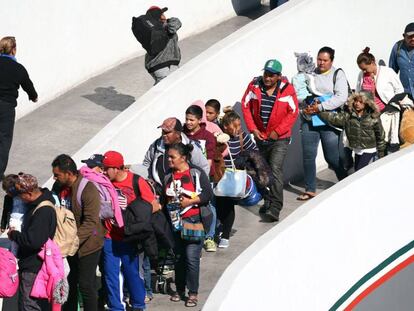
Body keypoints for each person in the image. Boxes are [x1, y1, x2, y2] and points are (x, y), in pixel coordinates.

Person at [102, 150, 160, 310]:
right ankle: (116, 307)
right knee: (111, 274)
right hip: (110, 236)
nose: (105, 172)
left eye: (107, 168)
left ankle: (138, 304)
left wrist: (132, 215)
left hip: (131, 237)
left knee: (132, 273)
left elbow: (153, 206)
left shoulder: (137, 181)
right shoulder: (104, 183)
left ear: (117, 168)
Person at [241, 59, 299, 220]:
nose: (267, 78)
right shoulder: (254, 86)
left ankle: (275, 208)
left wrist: (277, 131)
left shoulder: (287, 90)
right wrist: (253, 129)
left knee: (274, 169)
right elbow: (245, 106)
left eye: (271, 75)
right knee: (262, 172)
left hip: (280, 139)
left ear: (278, 77)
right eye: (266, 74)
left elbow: (293, 112)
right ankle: (267, 200)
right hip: (261, 137)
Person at [51, 154, 104, 311]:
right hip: (68, 246)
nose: (54, 178)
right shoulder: (58, 188)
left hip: (88, 246)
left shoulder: (88, 189)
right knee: (69, 284)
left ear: (68, 173)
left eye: (57, 175)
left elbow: (91, 222)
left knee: (86, 285)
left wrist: (72, 242)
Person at [163, 143, 213, 308]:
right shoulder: (168, 176)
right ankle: (179, 288)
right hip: (175, 224)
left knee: (192, 258)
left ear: (183, 158)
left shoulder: (195, 173)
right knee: (179, 258)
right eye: (168, 156)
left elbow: (207, 194)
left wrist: (189, 201)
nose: (169, 160)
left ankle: (192, 293)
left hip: (194, 222)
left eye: (172, 157)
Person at [298, 47, 349, 201]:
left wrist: (320, 107)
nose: (321, 63)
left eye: (325, 60)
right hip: (309, 121)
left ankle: (345, 181)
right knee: (308, 156)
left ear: (331, 61)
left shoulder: (337, 74)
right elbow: (301, 90)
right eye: (319, 59)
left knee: (332, 158)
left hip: (329, 121)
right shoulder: (310, 72)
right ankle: (310, 189)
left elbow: (341, 97)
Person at [7, 173, 57, 311]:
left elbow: (33, 241)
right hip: (35, 265)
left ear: (28, 193)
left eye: (20, 194)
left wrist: (14, 234)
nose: (19, 198)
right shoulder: (39, 204)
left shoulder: (43, 211)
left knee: (29, 305)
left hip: (34, 267)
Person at [216, 109, 257, 248]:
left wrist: (244, 160)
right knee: (218, 205)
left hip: (233, 178)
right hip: (219, 176)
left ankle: (225, 235)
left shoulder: (242, 137)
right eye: (235, 126)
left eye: (239, 125)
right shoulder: (219, 136)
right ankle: (219, 229)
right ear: (225, 126)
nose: (238, 129)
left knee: (228, 206)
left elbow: (253, 151)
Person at [0, 36, 38, 179]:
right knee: (3, 140)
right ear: (14, 50)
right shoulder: (18, 68)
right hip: (6, 108)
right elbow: (28, 85)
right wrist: (33, 96)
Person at [318, 93, 386, 171]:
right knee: (358, 170)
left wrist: (381, 153)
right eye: (356, 101)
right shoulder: (349, 116)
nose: (357, 103)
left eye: (361, 102)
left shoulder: (373, 118)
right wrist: (318, 111)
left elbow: (380, 135)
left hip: (369, 149)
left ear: (367, 103)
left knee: (359, 172)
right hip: (357, 150)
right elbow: (334, 118)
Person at [183, 102, 218, 252]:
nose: (189, 123)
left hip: (203, 176)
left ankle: (210, 237)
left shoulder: (207, 137)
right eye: (187, 119)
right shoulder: (182, 134)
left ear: (199, 120)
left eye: (192, 120)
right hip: (185, 177)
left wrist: (203, 179)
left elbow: (209, 160)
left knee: (208, 206)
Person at [356, 47, 405, 153]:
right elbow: (358, 91)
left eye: (365, 68)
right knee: (377, 143)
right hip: (371, 113)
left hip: (388, 111)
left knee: (387, 140)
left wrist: (394, 103)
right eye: (361, 69)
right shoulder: (362, 75)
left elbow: (399, 90)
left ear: (373, 63)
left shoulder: (387, 72)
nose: (364, 71)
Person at [143, 117, 210, 192]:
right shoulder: (156, 145)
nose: (164, 135)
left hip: (185, 193)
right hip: (159, 191)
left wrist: (197, 189)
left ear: (178, 134)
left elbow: (203, 167)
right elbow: (146, 163)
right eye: (163, 132)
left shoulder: (190, 147)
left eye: (167, 132)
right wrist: (149, 179)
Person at [144, 6, 182, 84]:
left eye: (163, 14)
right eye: (160, 15)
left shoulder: (161, 26)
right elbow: (174, 26)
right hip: (160, 64)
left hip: (164, 63)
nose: (163, 16)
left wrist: (165, 21)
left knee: (170, 87)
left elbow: (177, 23)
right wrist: (165, 23)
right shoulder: (159, 29)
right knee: (164, 89)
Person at [1, 173, 29, 256]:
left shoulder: (24, 196)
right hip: (13, 220)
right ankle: (13, 255)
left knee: (23, 238)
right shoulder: (8, 198)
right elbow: (5, 211)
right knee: (14, 239)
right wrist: (3, 225)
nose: (6, 193)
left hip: (24, 220)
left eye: (7, 191)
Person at [389, 22, 414, 98]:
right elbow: (392, 72)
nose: (413, 39)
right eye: (410, 36)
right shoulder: (397, 47)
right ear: (404, 36)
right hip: (405, 94)